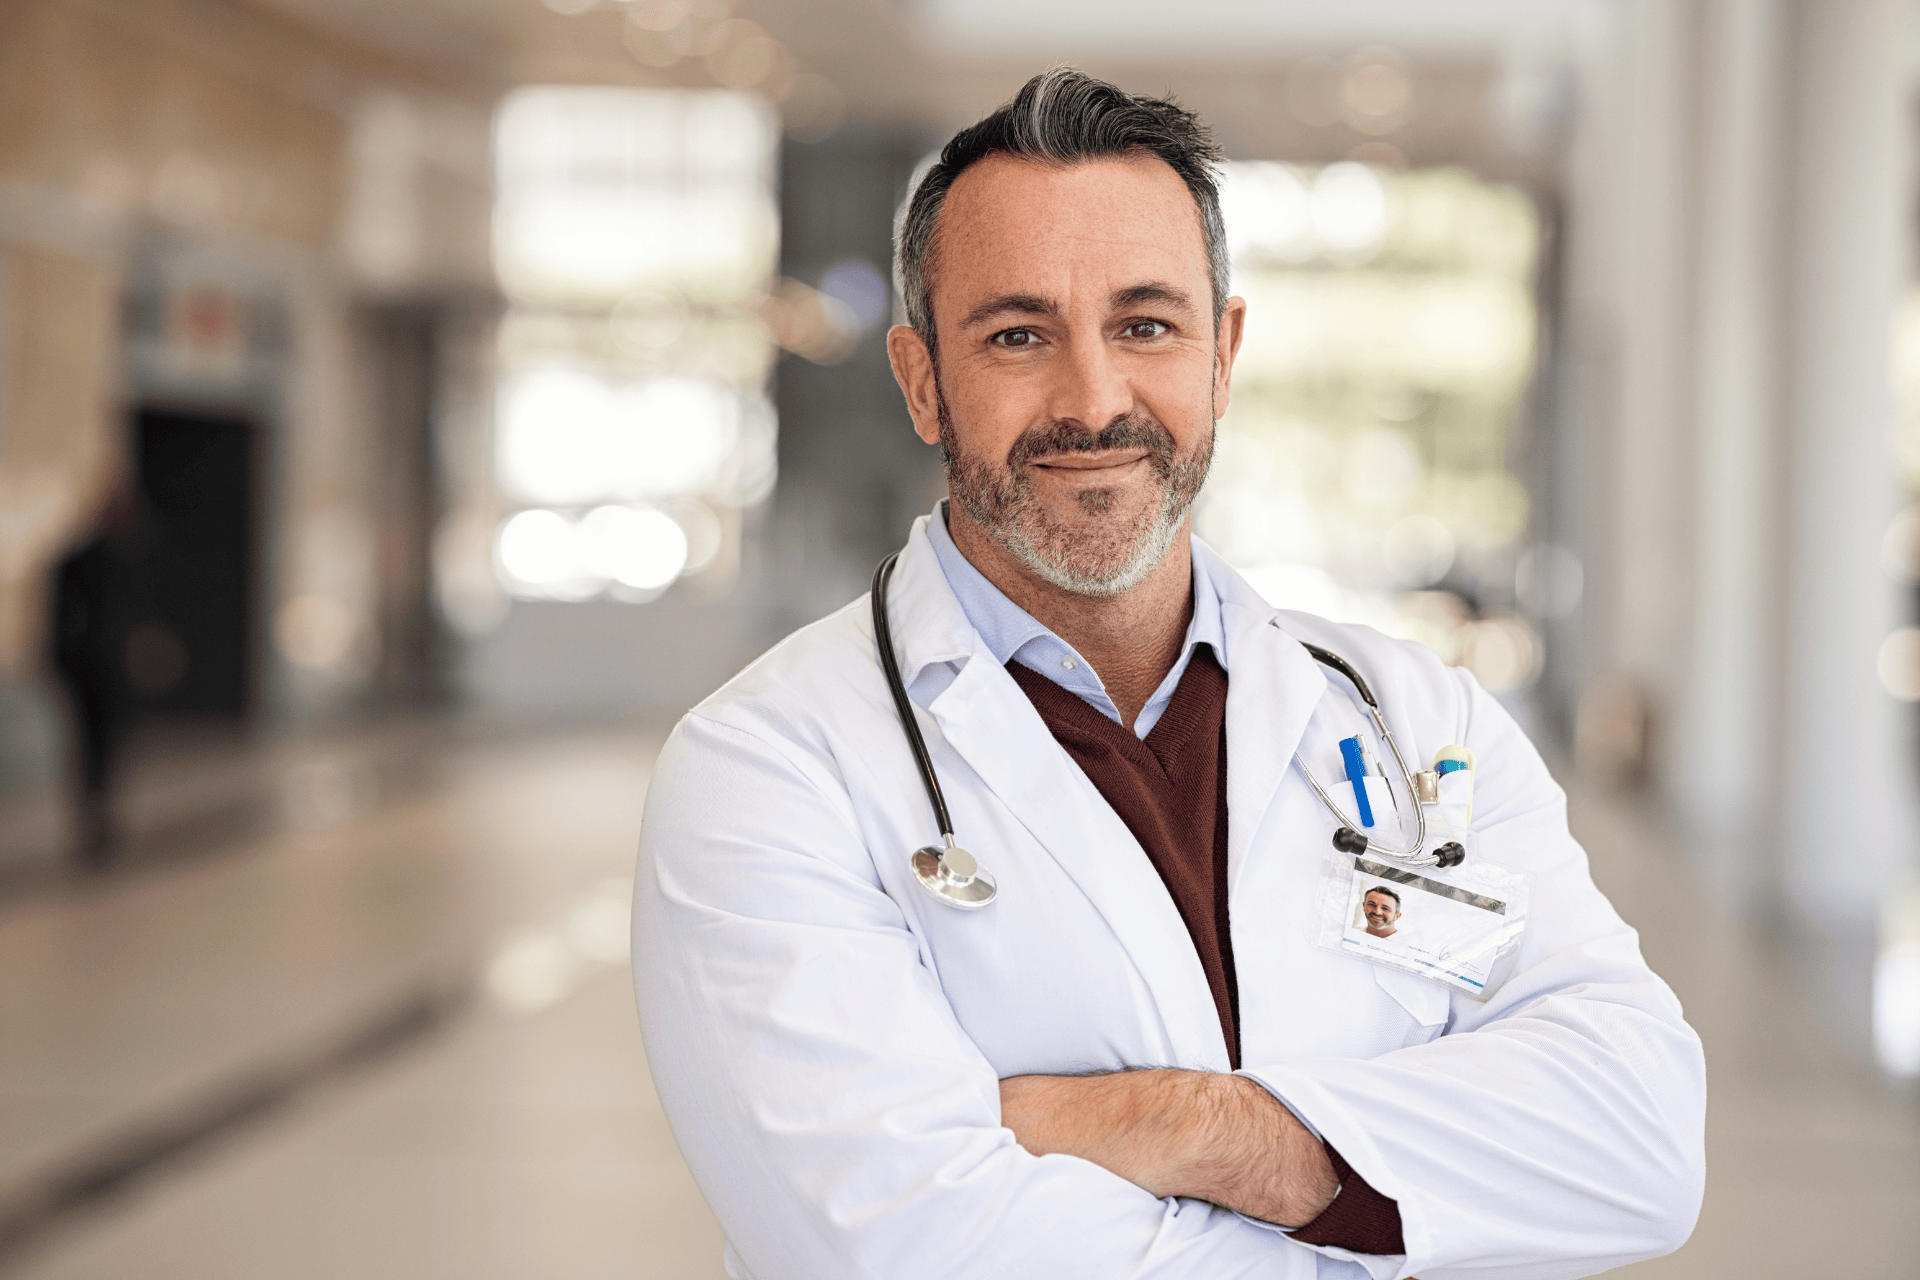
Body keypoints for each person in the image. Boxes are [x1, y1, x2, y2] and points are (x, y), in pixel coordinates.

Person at [633, 68, 1704, 1280]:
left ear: (1224, 353)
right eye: (1018, 334)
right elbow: (900, 1241)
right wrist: (1388, 1208)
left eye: (1146, 325)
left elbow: (1642, 1136)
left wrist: (1190, 1126)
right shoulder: (769, 767)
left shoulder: (1418, 720)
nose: (1093, 400)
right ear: (923, 379)